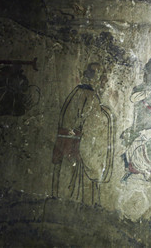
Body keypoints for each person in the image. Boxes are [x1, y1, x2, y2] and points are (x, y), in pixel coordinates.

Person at [50, 62, 113, 204]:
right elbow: (92, 122)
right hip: (75, 141)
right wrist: (106, 115)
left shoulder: (76, 92)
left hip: (68, 138)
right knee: (79, 175)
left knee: (67, 174)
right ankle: (78, 202)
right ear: (94, 78)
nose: (103, 82)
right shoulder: (88, 95)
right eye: (100, 77)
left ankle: (61, 197)